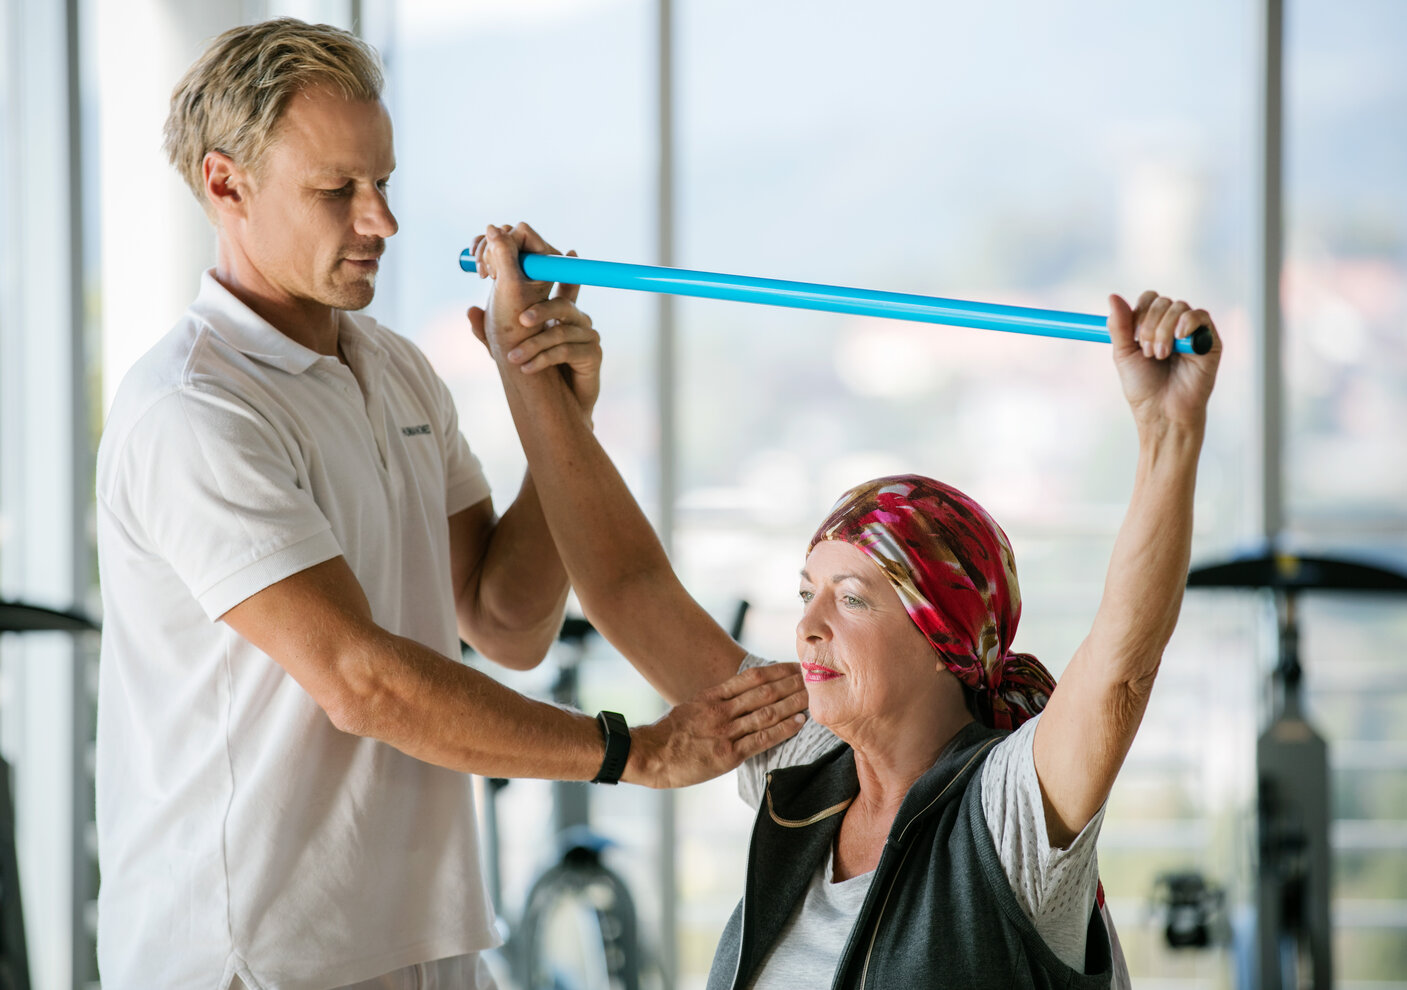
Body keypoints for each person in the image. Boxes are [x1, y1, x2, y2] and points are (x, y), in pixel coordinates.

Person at [94, 19, 806, 989]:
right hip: (251, 951)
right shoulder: (195, 408)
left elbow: (509, 622)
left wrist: (554, 412)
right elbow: (359, 679)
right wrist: (633, 752)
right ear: (226, 184)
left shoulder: (392, 369)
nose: (379, 220)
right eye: (336, 191)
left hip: (424, 929)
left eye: (383, 182)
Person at [469, 222, 1222, 988]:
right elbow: (628, 589)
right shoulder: (802, 754)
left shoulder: (1006, 813)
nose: (807, 627)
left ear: (944, 638)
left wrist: (1167, 433)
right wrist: (525, 363)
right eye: (807, 592)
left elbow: (1120, 669)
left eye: (852, 598)